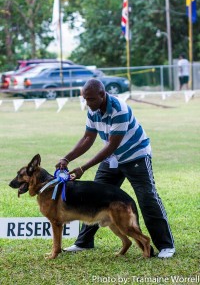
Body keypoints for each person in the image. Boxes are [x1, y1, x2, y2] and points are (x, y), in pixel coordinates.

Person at [58, 79, 175, 258]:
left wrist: (83, 167)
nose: (87, 103)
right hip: (112, 159)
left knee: (147, 197)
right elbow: (88, 138)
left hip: (135, 156)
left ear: (102, 95)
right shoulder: (93, 109)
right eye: (85, 99)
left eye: (90, 99)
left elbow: (112, 145)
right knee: (93, 196)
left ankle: (166, 246)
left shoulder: (119, 109)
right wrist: (67, 158)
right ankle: (84, 242)